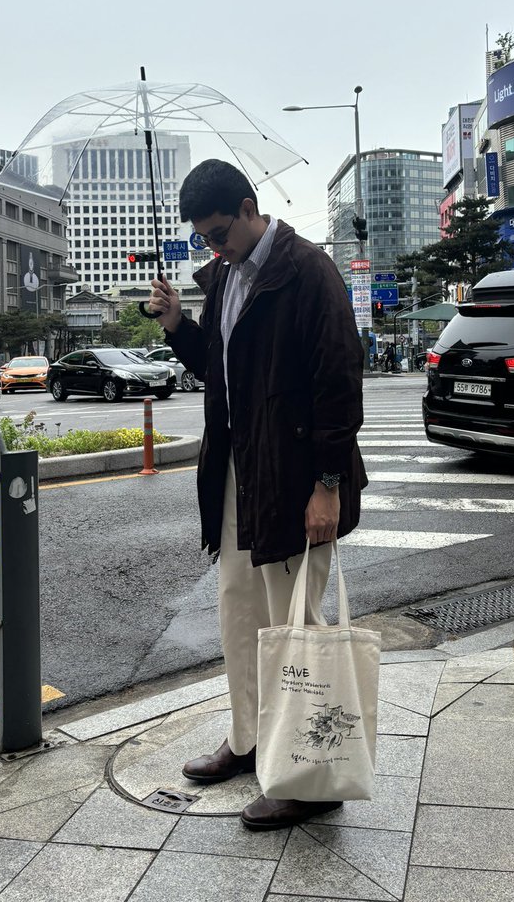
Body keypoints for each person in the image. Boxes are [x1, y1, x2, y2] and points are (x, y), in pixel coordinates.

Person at [145, 159, 366, 832]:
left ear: (248, 208)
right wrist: (179, 325)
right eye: (202, 239)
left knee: (296, 624)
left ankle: (312, 777)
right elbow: (220, 372)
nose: (211, 247)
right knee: (240, 610)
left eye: (218, 232)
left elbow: (339, 382)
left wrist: (327, 486)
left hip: (299, 477)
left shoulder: (307, 270)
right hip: (242, 472)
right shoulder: (227, 279)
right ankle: (248, 740)